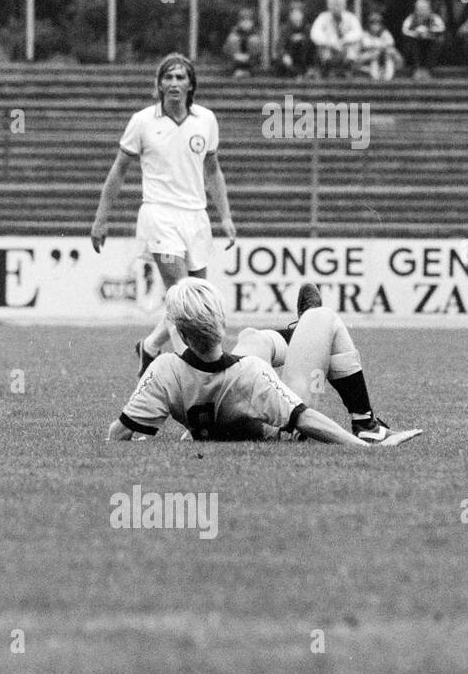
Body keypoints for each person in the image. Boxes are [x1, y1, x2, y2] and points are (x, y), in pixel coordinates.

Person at [108, 279, 422, 445]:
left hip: (210, 410)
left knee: (253, 337)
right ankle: (367, 424)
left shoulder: (164, 370)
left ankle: (298, 335)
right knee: (322, 317)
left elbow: (118, 433)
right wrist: (361, 447)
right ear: (220, 320)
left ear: (183, 334)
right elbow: (305, 419)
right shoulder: (252, 373)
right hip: (273, 424)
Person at [90, 53, 236, 377]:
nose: (173, 83)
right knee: (184, 299)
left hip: (196, 217)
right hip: (159, 215)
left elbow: (212, 171)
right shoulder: (143, 121)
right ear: (158, 84)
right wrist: (102, 218)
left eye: (180, 77)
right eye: (167, 77)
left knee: (199, 301)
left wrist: (224, 216)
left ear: (191, 85)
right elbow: (118, 171)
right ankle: (192, 374)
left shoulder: (206, 121)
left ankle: (151, 346)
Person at [310, 0, 363, 77]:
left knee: (354, 45)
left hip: (345, 49)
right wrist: (330, 42)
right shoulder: (323, 17)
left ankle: (348, 71)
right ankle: (328, 70)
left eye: (339, 3)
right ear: (329, 5)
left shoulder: (351, 18)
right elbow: (314, 34)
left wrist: (344, 40)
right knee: (322, 47)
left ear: (344, 5)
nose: (336, 6)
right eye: (334, 3)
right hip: (329, 49)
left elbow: (358, 33)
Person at [400, 0, 445, 80]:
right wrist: (415, 33)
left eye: (424, 8)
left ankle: (427, 70)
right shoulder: (411, 18)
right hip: (415, 43)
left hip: (430, 43)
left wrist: (428, 31)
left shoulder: (435, 18)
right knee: (411, 43)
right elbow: (405, 30)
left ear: (429, 9)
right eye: (419, 8)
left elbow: (441, 28)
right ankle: (417, 69)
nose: (421, 11)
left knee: (439, 42)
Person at [357, 11, 403, 81]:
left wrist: (381, 48)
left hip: (384, 59)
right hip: (368, 63)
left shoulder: (385, 33)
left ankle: (387, 77)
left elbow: (390, 43)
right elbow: (366, 45)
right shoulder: (365, 34)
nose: (375, 25)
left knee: (391, 52)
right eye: (373, 23)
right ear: (369, 24)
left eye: (378, 23)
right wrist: (378, 48)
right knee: (374, 55)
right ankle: (375, 76)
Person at [275, 1, 314, 77]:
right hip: (289, 59)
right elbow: (280, 46)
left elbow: (312, 46)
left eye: (298, 14)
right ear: (290, 15)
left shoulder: (308, 29)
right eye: (294, 14)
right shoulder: (284, 29)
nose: (296, 16)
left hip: (304, 59)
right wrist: (284, 55)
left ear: (303, 15)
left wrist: (302, 39)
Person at [222, 8, 262, 77]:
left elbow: (258, 51)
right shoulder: (233, 33)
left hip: (251, 61)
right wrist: (236, 56)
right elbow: (226, 50)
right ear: (239, 21)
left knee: (254, 40)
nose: (246, 22)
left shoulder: (256, 34)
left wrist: (249, 57)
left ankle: (248, 70)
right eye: (243, 19)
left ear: (252, 21)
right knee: (233, 39)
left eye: (248, 19)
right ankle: (237, 70)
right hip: (236, 61)